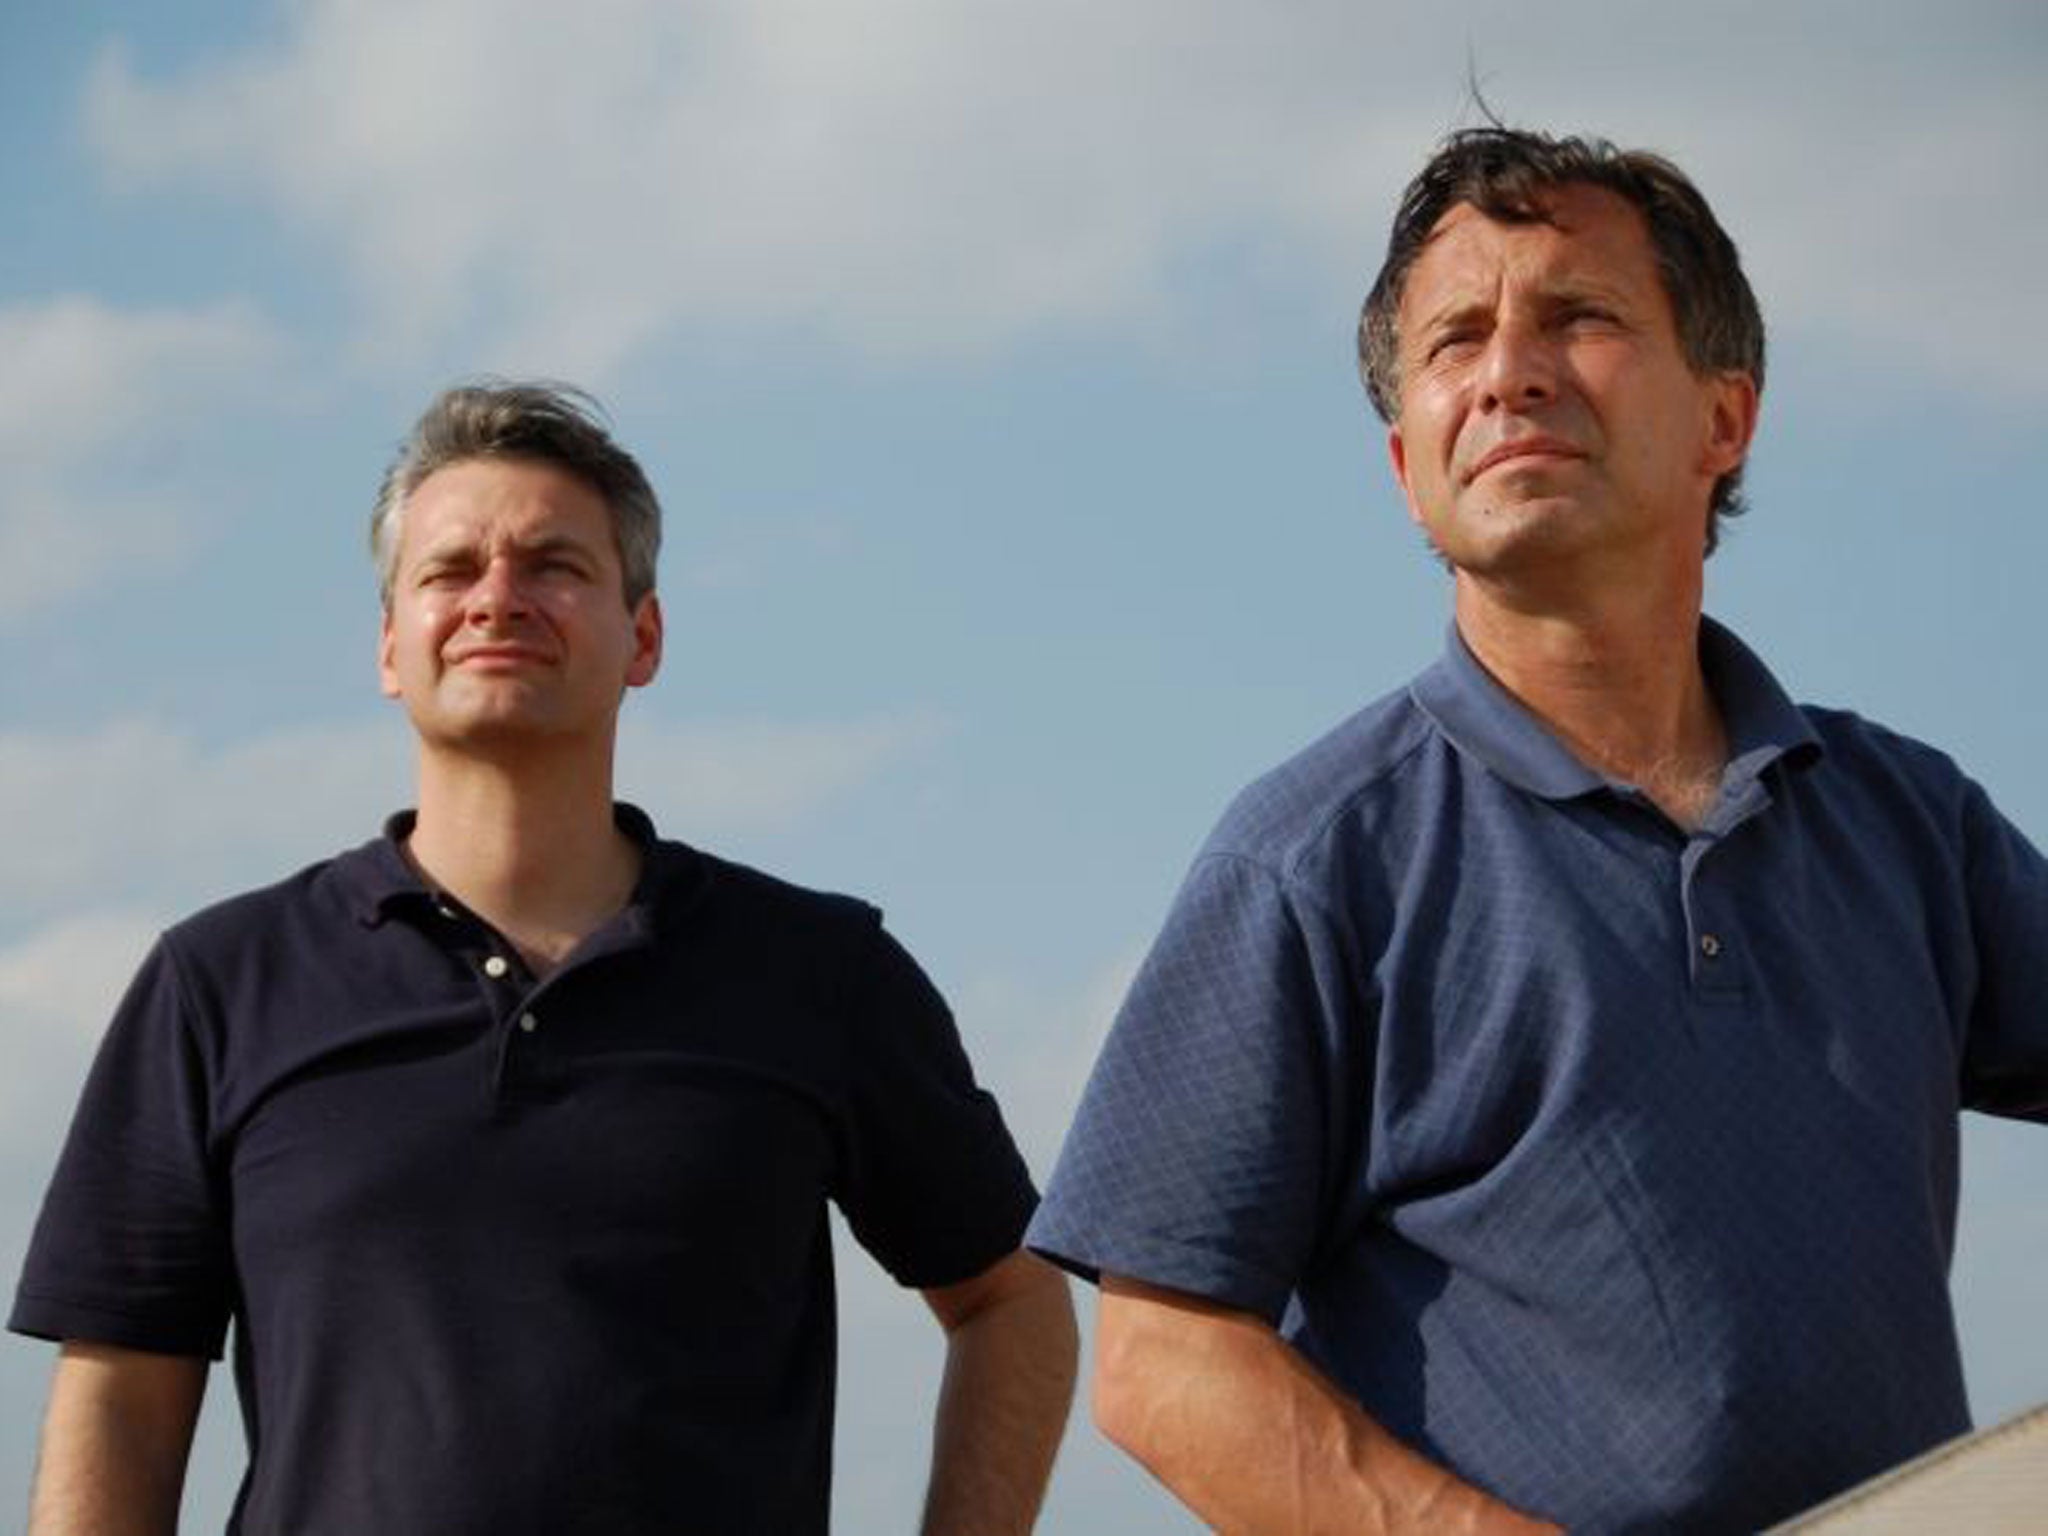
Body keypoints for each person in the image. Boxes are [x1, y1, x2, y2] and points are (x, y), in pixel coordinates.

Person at [1027, 125, 2048, 1533]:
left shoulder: (1907, 819)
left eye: (1579, 316)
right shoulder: (1312, 859)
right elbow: (1163, 1363)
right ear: (1407, 466)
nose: (1507, 371)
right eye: (1455, 341)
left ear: (1724, 420)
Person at [12, 382, 1077, 1536]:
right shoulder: (220, 984)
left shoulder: (819, 973)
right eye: (450, 570)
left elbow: (1009, 1301)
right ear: (388, 644)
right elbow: (121, 1384)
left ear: (645, 637)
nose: (497, 599)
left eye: (554, 566)